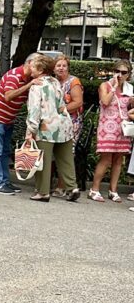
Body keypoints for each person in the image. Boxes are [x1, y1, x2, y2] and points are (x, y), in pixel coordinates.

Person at [0, 52, 39, 195]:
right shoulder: (15, 75)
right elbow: (8, 96)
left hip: (8, 118)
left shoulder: (29, 78)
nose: (39, 68)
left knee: (5, 151)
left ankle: (5, 182)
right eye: (38, 64)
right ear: (29, 63)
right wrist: (29, 85)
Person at [23, 55, 80, 202]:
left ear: (40, 69)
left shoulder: (36, 86)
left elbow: (34, 110)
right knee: (66, 159)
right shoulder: (55, 82)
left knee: (43, 160)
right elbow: (61, 104)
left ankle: (43, 192)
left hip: (46, 127)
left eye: (33, 66)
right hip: (64, 125)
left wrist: (30, 131)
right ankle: (72, 187)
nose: (30, 68)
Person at [88, 60, 134, 203]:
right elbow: (105, 102)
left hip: (123, 128)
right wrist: (114, 87)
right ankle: (94, 189)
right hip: (107, 127)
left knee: (119, 159)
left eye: (123, 72)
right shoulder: (105, 85)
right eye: (117, 71)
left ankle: (113, 190)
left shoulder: (129, 89)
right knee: (106, 159)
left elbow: (130, 108)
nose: (119, 75)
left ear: (128, 74)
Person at [52, 55, 84, 197]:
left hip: (71, 122)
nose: (61, 68)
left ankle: (62, 186)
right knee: (53, 152)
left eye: (64, 65)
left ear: (68, 68)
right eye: (58, 65)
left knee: (66, 153)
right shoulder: (52, 82)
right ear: (53, 68)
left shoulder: (73, 81)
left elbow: (78, 102)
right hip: (54, 122)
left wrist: (60, 110)